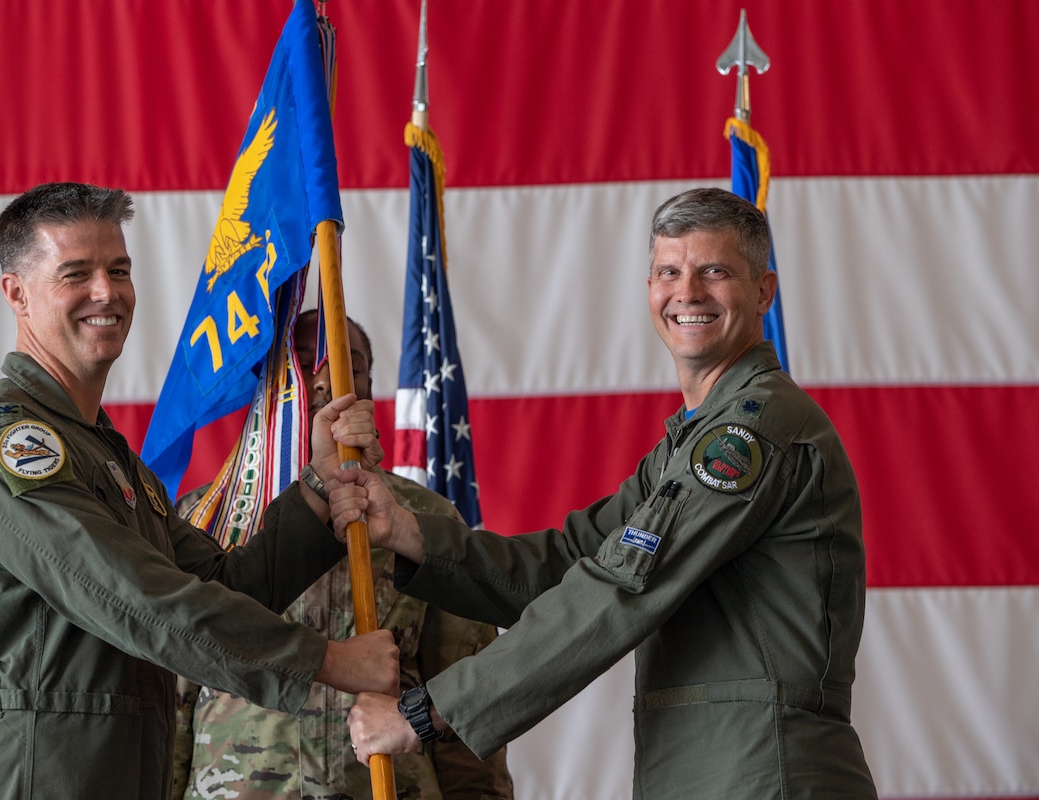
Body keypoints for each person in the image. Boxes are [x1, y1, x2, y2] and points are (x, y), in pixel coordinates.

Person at [331, 187, 879, 798]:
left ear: (763, 292)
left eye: (714, 271)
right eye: (669, 271)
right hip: (711, 772)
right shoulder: (690, 442)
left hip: (765, 776)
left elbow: (619, 589)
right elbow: (572, 563)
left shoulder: (749, 433)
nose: (687, 293)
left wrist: (424, 712)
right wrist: (408, 533)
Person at [0, 182, 398, 800]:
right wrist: (325, 660)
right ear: (16, 293)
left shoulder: (111, 459)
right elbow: (135, 600)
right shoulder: (8, 448)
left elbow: (226, 587)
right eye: (76, 274)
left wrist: (318, 486)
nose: (106, 293)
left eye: (118, 269)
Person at [172, 309, 514, 800]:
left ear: (369, 389)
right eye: (303, 360)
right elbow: (172, 690)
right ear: (271, 383)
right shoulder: (211, 516)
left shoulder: (421, 520)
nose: (322, 378)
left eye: (346, 363)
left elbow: (463, 691)